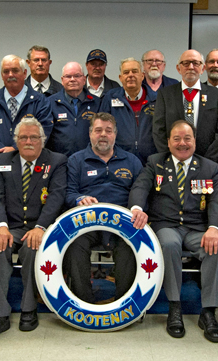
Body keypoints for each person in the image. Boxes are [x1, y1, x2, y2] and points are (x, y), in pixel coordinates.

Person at [128, 120, 218, 342]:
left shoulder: (210, 167)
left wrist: (214, 228)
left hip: (197, 228)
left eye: (187, 138)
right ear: (169, 142)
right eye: (177, 139)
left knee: (216, 248)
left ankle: (208, 311)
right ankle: (175, 306)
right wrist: (136, 209)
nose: (182, 143)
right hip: (166, 225)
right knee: (169, 244)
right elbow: (140, 187)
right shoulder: (155, 163)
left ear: (194, 140)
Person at [0, 117, 67, 343]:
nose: (28, 141)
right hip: (11, 226)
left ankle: (29, 308)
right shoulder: (2, 160)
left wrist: (41, 227)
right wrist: (0, 227)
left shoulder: (57, 161)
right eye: (23, 137)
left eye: (33, 137)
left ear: (43, 140)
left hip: (40, 226)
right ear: (16, 140)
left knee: (32, 249)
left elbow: (56, 198)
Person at [65, 113, 142, 303]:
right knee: (75, 245)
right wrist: (79, 199)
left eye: (108, 131)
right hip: (87, 223)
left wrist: (137, 208)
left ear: (115, 135)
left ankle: (124, 303)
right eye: (98, 130)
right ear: (90, 133)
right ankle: (83, 301)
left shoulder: (132, 161)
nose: (103, 135)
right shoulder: (76, 160)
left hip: (122, 224)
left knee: (129, 247)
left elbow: (142, 191)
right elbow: (68, 193)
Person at [152, 49, 218, 164]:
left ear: (203, 68)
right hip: (173, 162)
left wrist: (208, 161)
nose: (191, 67)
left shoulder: (216, 95)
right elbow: (158, 130)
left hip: (207, 162)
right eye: (186, 63)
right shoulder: (165, 94)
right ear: (178, 68)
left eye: (196, 63)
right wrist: (171, 157)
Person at [0, 55, 53, 163]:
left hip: (30, 164)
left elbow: (44, 130)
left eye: (15, 71)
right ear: (2, 75)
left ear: (25, 73)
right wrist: (1, 154)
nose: (10, 75)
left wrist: (15, 149)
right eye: (6, 71)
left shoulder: (40, 101)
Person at [102, 57, 158, 164]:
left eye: (134, 71)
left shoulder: (157, 99)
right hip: (119, 160)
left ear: (142, 76)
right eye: (126, 72)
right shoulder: (110, 98)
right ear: (120, 77)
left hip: (151, 161)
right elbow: (103, 128)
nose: (130, 75)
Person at [46, 62, 104, 157]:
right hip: (59, 161)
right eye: (68, 76)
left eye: (77, 76)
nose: (72, 80)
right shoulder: (50, 103)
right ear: (62, 80)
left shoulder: (96, 103)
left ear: (84, 79)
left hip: (89, 159)